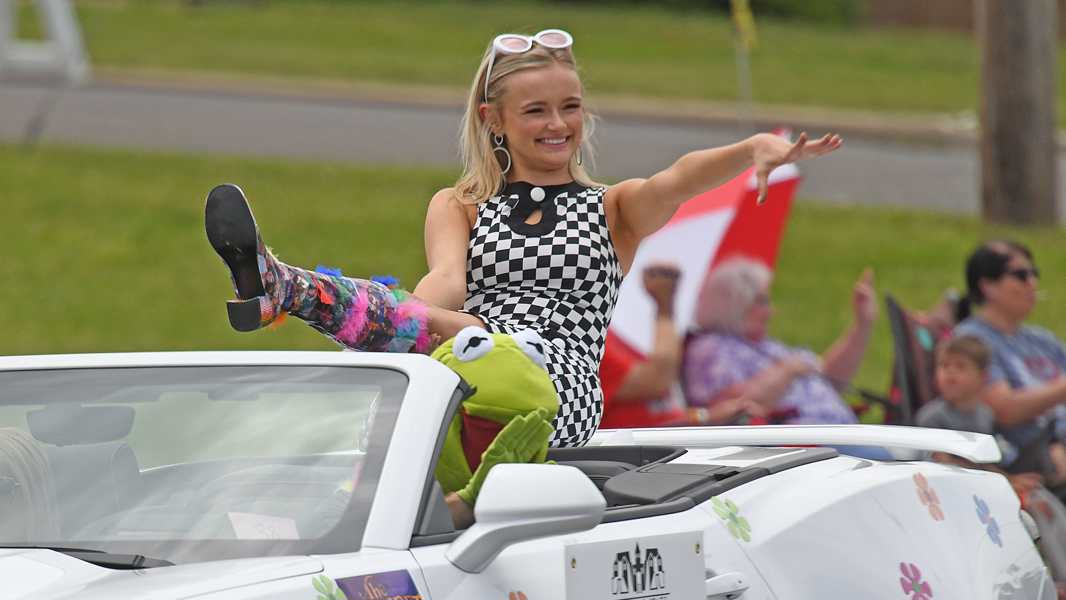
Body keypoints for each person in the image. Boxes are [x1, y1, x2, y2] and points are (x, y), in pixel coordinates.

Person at [205, 29, 842, 451]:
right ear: (494, 121)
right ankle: (284, 297)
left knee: (478, 347)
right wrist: (409, 328)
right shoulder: (458, 205)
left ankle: (286, 289)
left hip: (556, 390)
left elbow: (678, 180)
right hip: (470, 363)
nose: (558, 123)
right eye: (536, 110)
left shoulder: (613, 207)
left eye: (570, 107)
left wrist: (752, 148)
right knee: (444, 346)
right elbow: (443, 286)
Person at [916, 335, 1066, 580]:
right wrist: (1007, 482)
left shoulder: (984, 415)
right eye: (944, 366)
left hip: (986, 484)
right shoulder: (932, 417)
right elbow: (945, 461)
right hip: (955, 492)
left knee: (1044, 499)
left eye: (960, 367)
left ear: (982, 377)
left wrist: (1012, 478)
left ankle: (1059, 574)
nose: (950, 373)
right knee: (1034, 507)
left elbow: (985, 461)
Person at [682, 256, 876, 425]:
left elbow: (831, 381)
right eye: (762, 301)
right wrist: (787, 371)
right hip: (803, 447)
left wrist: (862, 325)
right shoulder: (713, 348)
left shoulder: (764, 345)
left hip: (835, 435)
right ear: (734, 304)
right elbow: (731, 408)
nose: (771, 311)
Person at [599, 263, 763, 428]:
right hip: (646, 448)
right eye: (760, 302)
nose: (770, 312)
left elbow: (662, 407)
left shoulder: (607, 335)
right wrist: (665, 306)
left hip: (670, 439)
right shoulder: (583, 342)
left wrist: (705, 416)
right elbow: (657, 378)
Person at [953, 241, 1066, 480]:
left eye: (1034, 274)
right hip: (1033, 456)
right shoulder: (971, 341)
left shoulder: (1043, 340)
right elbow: (1003, 409)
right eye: (1021, 275)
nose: (1032, 283)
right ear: (987, 286)